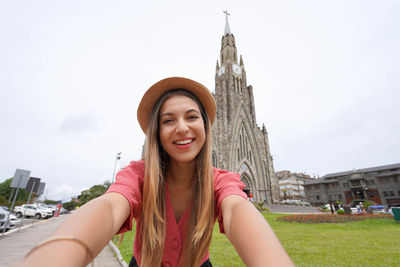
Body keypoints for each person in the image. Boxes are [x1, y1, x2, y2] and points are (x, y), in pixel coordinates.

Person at [20, 77, 294, 267]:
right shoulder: (138, 175)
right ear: (157, 132)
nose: (182, 128)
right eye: (168, 120)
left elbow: (237, 209)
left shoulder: (220, 180)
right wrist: (63, 250)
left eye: (191, 117)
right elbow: (112, 205)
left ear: (206, 127)